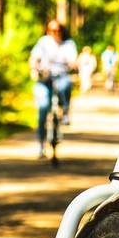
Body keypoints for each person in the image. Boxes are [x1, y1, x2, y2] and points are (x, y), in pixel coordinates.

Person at [29, 19, 77, 158]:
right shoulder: (43, 42)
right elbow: (34, 57)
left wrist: (73, 64)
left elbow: (73, 59)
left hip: (61, 76)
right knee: (43, 109)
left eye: (57, 30)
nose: (54, 33)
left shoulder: (68, 44)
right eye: (51, 30)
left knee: (66, 84)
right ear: (47, 31)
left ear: (62, 31)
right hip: (44, 79)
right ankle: (41, 145)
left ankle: (65, 111)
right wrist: (34, 68)